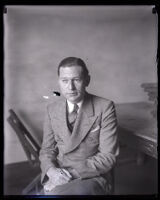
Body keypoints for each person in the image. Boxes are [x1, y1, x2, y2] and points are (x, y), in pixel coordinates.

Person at [39, 57, 119, 195]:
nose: (70, 87)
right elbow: (47, 149)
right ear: (59, 82)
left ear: (87, 80)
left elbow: (108, 156)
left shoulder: (105, 107)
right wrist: (51, 171)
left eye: (76, 80)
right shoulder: (51, 109)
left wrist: (69, 176)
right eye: (65, 81)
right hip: (59, 171)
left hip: (91, 175)